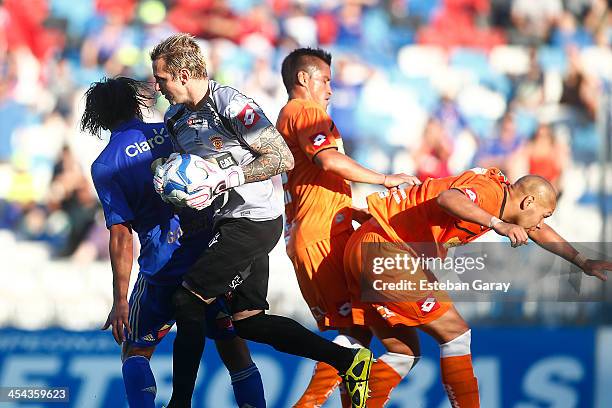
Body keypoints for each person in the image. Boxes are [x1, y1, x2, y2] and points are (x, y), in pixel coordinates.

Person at [150, 33, 373, 408]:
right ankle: (349, 361)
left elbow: (280, 158)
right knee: (249, 321)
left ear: (184, 74)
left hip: (254, 220)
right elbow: (194, 178)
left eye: (162, 79)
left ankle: (180, 404)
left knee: (187, 301)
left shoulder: (231, 105)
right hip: (226, 223)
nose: (158, 86)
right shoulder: (175, 119)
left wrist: (227, 177)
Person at [343, 167, 610, 407]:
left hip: (369, 246)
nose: (541, 223)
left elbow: (537, 230)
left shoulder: (502, 197)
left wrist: (581, 261)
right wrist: (498, 224)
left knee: (403, 353)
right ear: (528, 201)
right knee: (456, 335)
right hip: (386, 250)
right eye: (544, 214)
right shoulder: (490, 194)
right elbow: (448, 198)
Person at [82, 77, 266, 408]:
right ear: (134, 103)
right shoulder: (172, 129)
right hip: (207, 256)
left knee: (136, 350)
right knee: (232, 345)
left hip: (161, 267)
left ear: (99, 117)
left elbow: (120, 234)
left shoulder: (106, 164)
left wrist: (120, 299)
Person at [276, 47, 419, 407]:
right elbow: (327, 160)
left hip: (313, 231)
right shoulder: (305, 111)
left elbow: (315, 178)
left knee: (353, 337)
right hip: (321, 235)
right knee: (351, 334)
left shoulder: (289, 116)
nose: (330, 90)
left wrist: (350, 209)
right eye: (324, 80)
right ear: (303, 79)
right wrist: (384, 179)